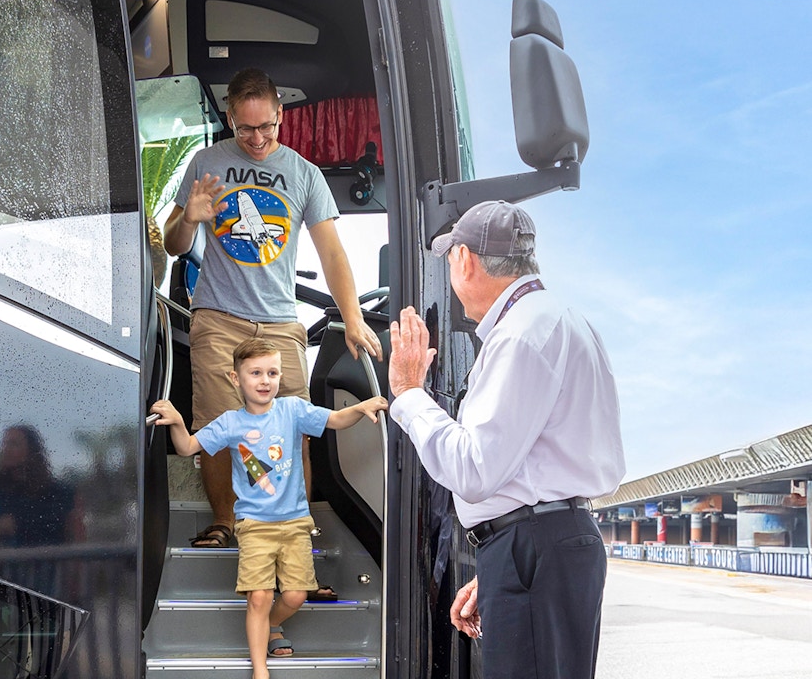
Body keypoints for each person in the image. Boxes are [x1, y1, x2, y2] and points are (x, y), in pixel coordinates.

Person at [386, 200, 626, 679]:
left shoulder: (519, 334)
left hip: (536, 548)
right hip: (548, 545)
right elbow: (538, 465)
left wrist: (410, 394)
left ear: (464, 260)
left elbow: (474, 469)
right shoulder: (559, 319)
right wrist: (504, 565)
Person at [162, 67, 383, 560]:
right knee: (217, 426)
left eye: (267, 126)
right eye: (246, 128)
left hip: (281, 323)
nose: (258, 138)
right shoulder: (206, 162)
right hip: (219, 317)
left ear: (281, 114)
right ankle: (225, 522)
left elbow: (332, 253)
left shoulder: (304, 173)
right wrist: (190, 219)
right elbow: (175, 244)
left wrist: (352, 317)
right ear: (230, 118)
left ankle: (292, 530)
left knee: (294, 429)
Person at [150, 337, 387, 679]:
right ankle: (259, 668)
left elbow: (335, 419)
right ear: (236, 378)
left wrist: (360, 408)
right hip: (254, 524)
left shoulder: (292, 410)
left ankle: (273, 624)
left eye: (272, 373)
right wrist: (176, 420)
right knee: (259, 596)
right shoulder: (231, 422)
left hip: (295, 523)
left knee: (296, 596)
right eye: (256, 373)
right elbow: (187, 447)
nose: (265, 381)